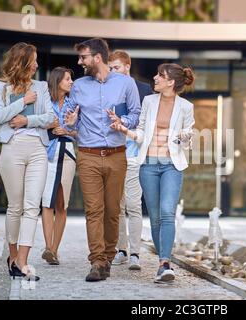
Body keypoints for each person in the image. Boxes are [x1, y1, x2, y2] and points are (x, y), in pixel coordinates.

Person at [64, 38, 141, 282]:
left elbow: (136, 114)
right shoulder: (78, 86)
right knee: (93, 210)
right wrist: (70, 121)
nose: (80, 62)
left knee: (112, 211)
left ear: (97, 57)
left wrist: (123, 123)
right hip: (87, 154)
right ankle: (97, 261)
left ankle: (108, 256)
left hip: (117, 156)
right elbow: (69, 113)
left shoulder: (125, 83)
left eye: (83, 57)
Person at [111, 63, 195, 283]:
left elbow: (188, 136)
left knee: (167, 213)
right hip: (147, 165)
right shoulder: (148, 101)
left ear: (171, 82)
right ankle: (163, 261)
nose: (155, 78)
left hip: (171, 165)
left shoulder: (186, 107)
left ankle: (164, 263)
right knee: (156, 218)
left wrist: (186, 137)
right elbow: (140, 133)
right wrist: (124, 129)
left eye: (161, 75)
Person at [0, 42, 55, 281]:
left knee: (32, 207)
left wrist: (27, 121)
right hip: (12, 149)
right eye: (34, 60)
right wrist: (23, 101)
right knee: (15, 207)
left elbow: (50, 118)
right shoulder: (0, 86)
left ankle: (22, 262)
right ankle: (12, 255)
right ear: (23, 62)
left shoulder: (41, 86)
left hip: (38, 149)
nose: (37, 64)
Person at [108, 50, 152, 270]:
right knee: (116, 207)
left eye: (116, 67)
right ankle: (121, 250)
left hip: (134, 156)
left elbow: (147, 125)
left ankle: (135, 253)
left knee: (134, 206)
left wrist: (123, 123)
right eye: (110, 68)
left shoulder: (145, 90)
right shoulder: (108, 91)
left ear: (127, 66)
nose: (112, 72)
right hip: (112, 155)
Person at [41, 67, 77, 265]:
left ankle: (54, 250)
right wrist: (49, 125)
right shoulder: (45, 101)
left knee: (61, 203)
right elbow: (37, 124)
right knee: (47, 201)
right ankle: (48, 246)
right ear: (58, 81)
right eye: (68, 79)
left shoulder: (74, 104)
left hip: (68, 153)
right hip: (48, 154)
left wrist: (70, 130)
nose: (71, 82)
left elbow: (82, 131)